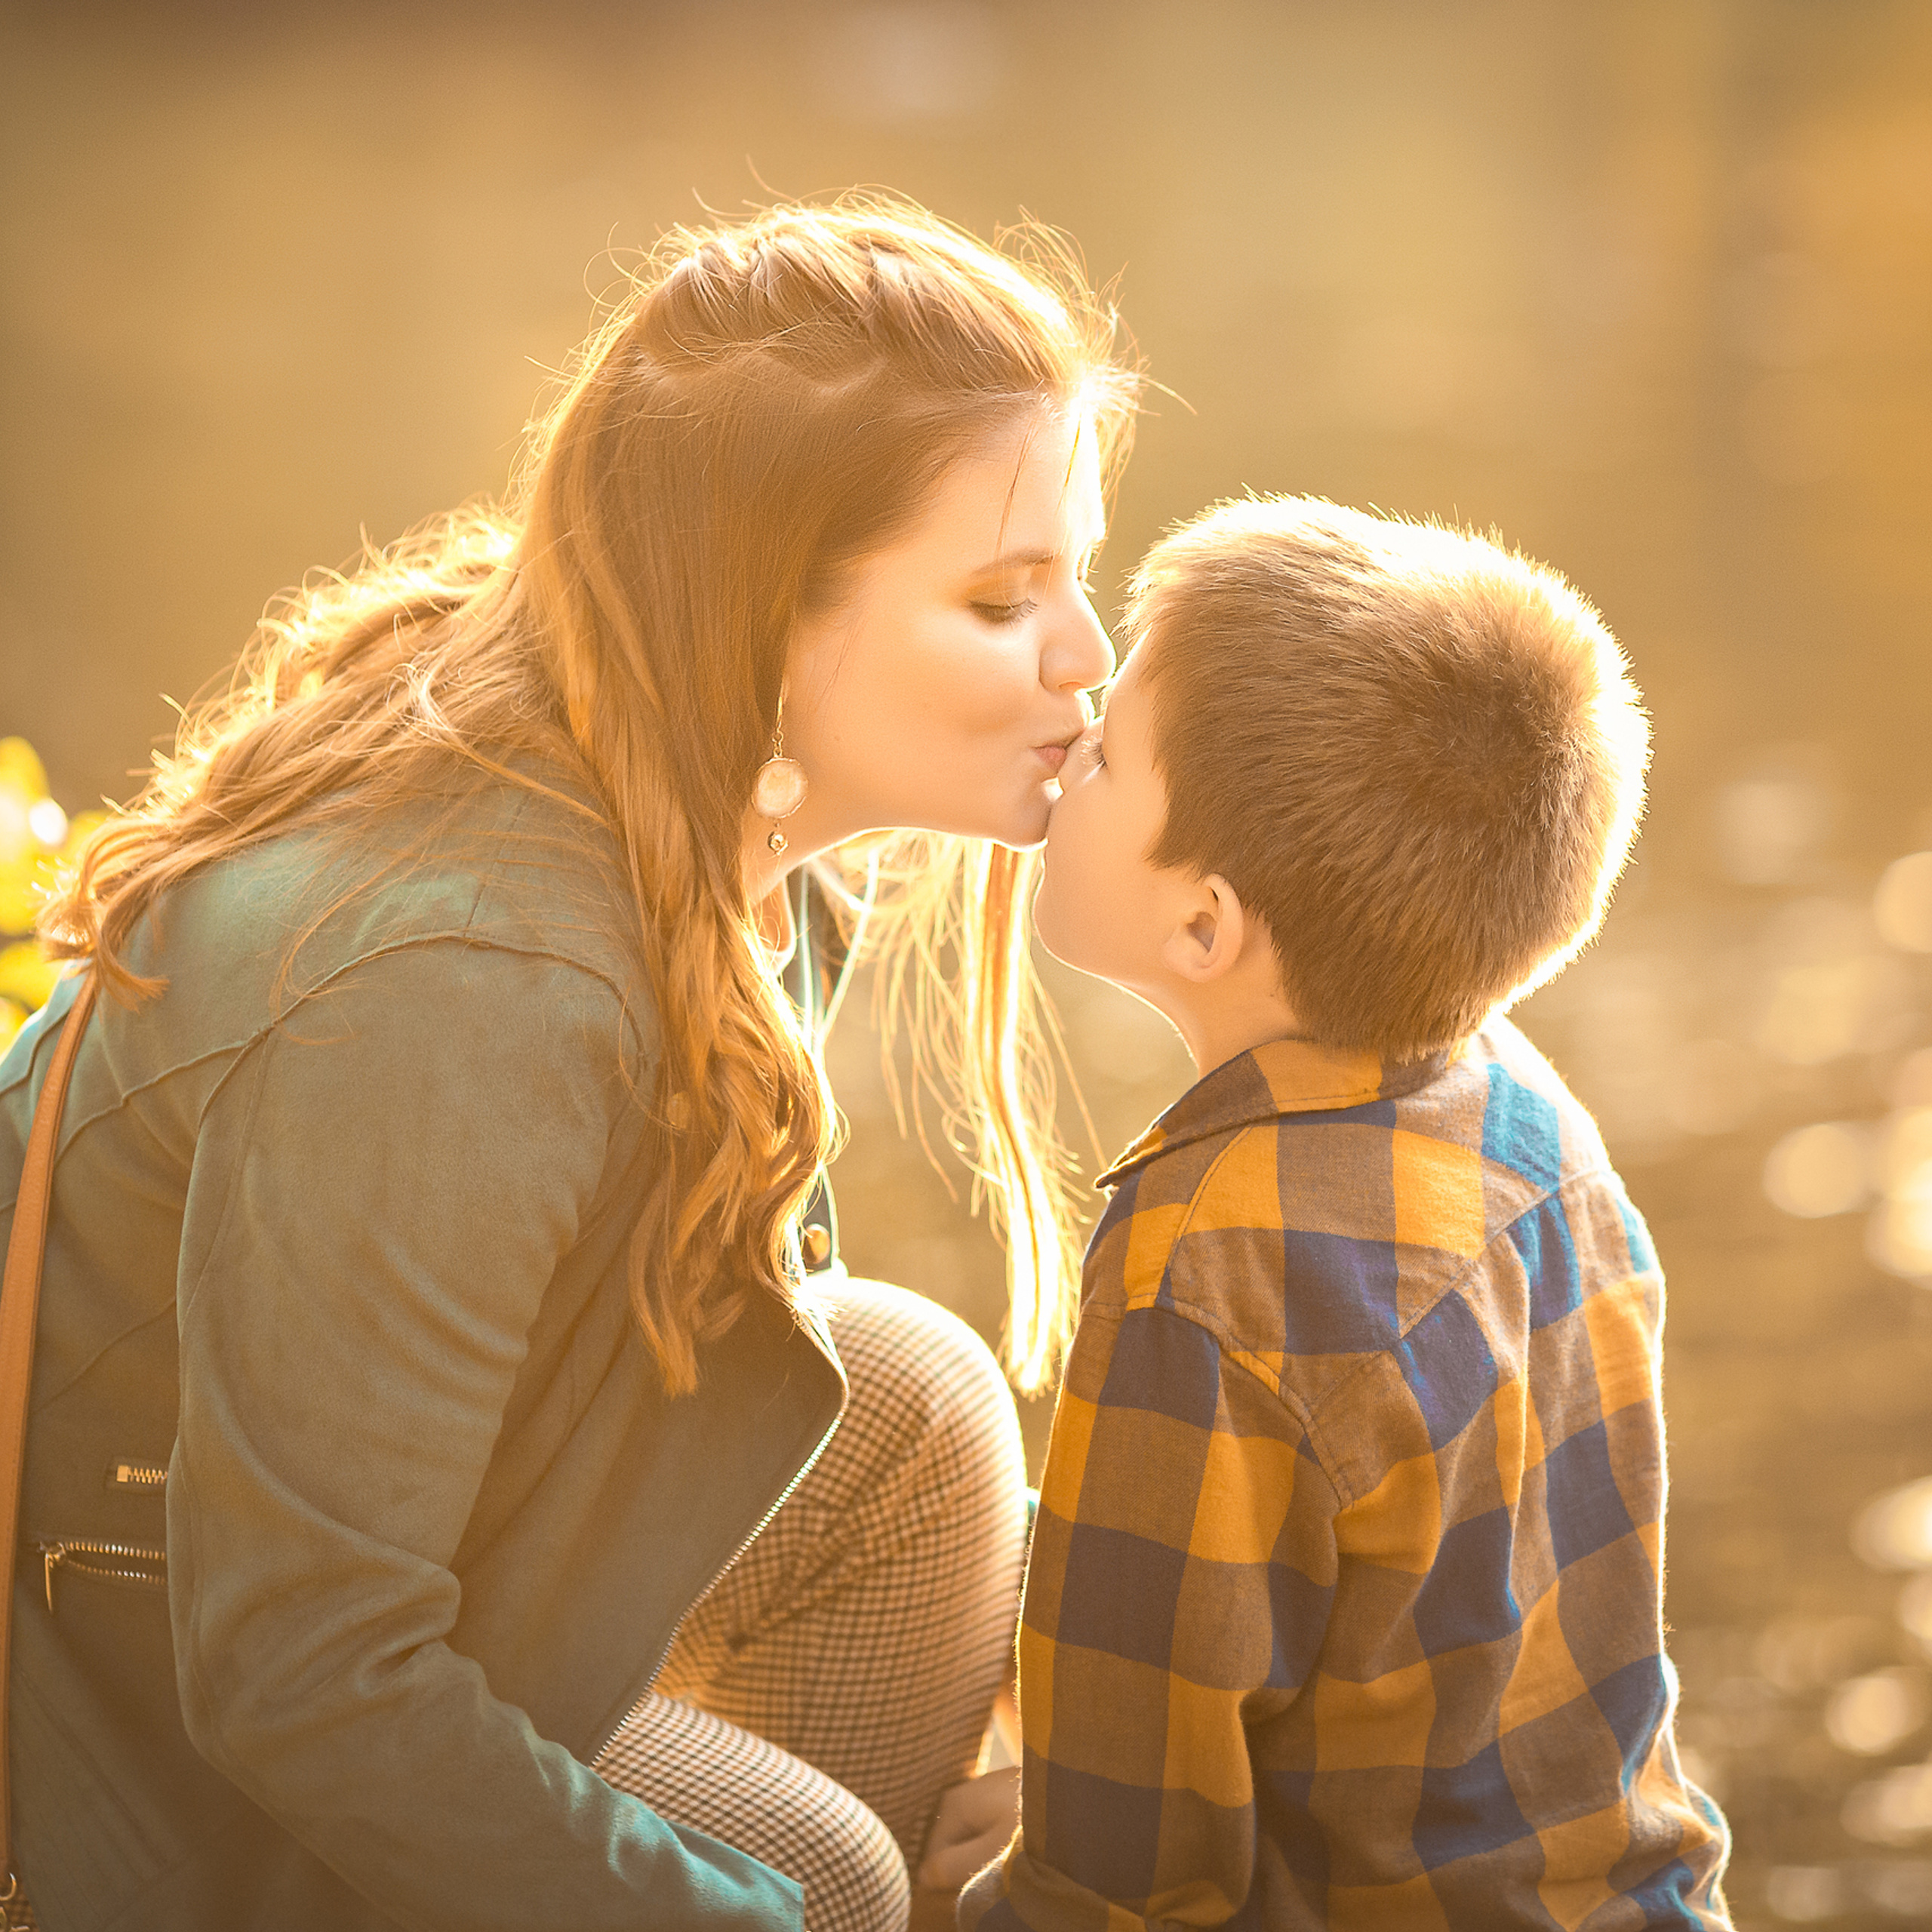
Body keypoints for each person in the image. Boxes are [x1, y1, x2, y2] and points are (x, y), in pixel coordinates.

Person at [0, 197, 1137, 1932]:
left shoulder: (710, 817)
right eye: (1000, 597)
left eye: (1078, 574)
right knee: (814, 1881)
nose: (1088, 659)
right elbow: (298, 1665)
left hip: (332, 1568)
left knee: (916, 1417)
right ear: (763, 623)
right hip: (111, 1703)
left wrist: (1122, 1699)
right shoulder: (461, 996)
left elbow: (697, 1315)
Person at [960, 496, 1734, 1929]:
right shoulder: (1528, 1120)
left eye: (1111, 755)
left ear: (1204, 924)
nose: (1069, 750)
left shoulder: (1204, 1272)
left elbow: (1122, 1890)